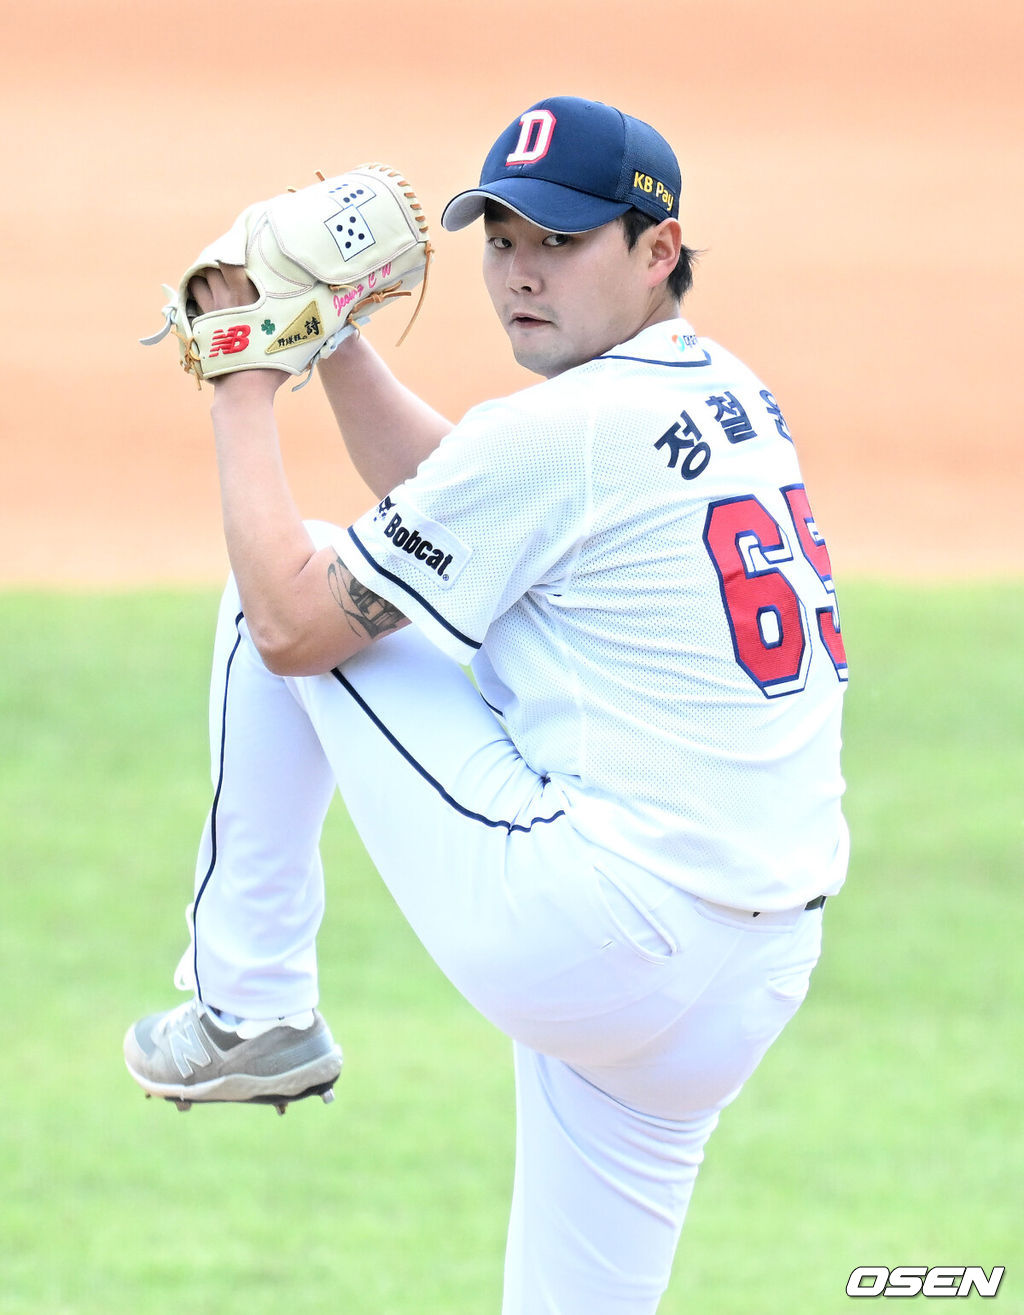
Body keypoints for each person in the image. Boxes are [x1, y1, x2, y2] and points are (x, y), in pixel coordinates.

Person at [124, 95, 849, 1313]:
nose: (519, 272)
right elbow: (472, 506)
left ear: (657, 250)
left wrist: (242, 379)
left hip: (603, 925)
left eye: (558, 243)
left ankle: (249, 1007)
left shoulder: (566, 429)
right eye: (500, 239)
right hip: (749, 973)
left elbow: (301, 623)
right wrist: (337, 333)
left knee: (279, 588)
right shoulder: (724, 391)